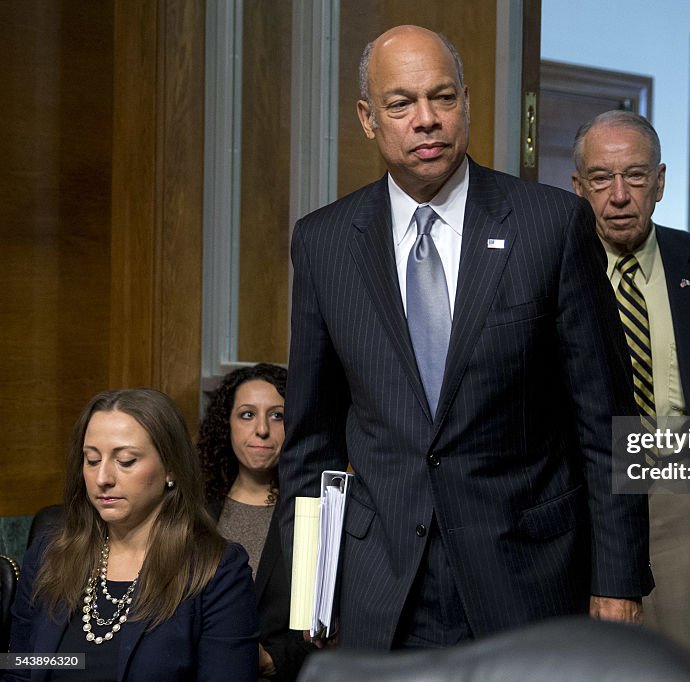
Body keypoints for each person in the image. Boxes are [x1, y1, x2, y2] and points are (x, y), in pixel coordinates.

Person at [278, 25, 652, 651]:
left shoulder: (550, 226)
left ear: (466, 103)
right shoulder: (324, 244)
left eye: (442, 98)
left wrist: (618, 582)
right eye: (401, 104)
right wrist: (312, 591)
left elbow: (606, 423)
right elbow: (311, 443)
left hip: (526, 577)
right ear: (368, 119)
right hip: (379, 587)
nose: (426, 120)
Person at [572, 110, 690, 667]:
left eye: (636, 176)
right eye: (601, 179)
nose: (619, 195)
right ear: (579, 187)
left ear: (661, 183)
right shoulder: (554, 268)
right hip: (586, 497)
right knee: (595, 664)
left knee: (684, 660)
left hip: (679, 484)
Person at [7, 389, 258, 681]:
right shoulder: (49, 553)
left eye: (125, 461)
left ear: (171, 468)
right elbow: (19, 670)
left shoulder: (217, 571)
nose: (103, 479)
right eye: (91, 460)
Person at [198, 364, 312, 681]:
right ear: (227, 424)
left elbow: (332, 628)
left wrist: (273, 660)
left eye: (277, 416)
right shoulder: (193, 508)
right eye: (247, 414)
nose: (262, 429)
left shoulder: (312, 511)